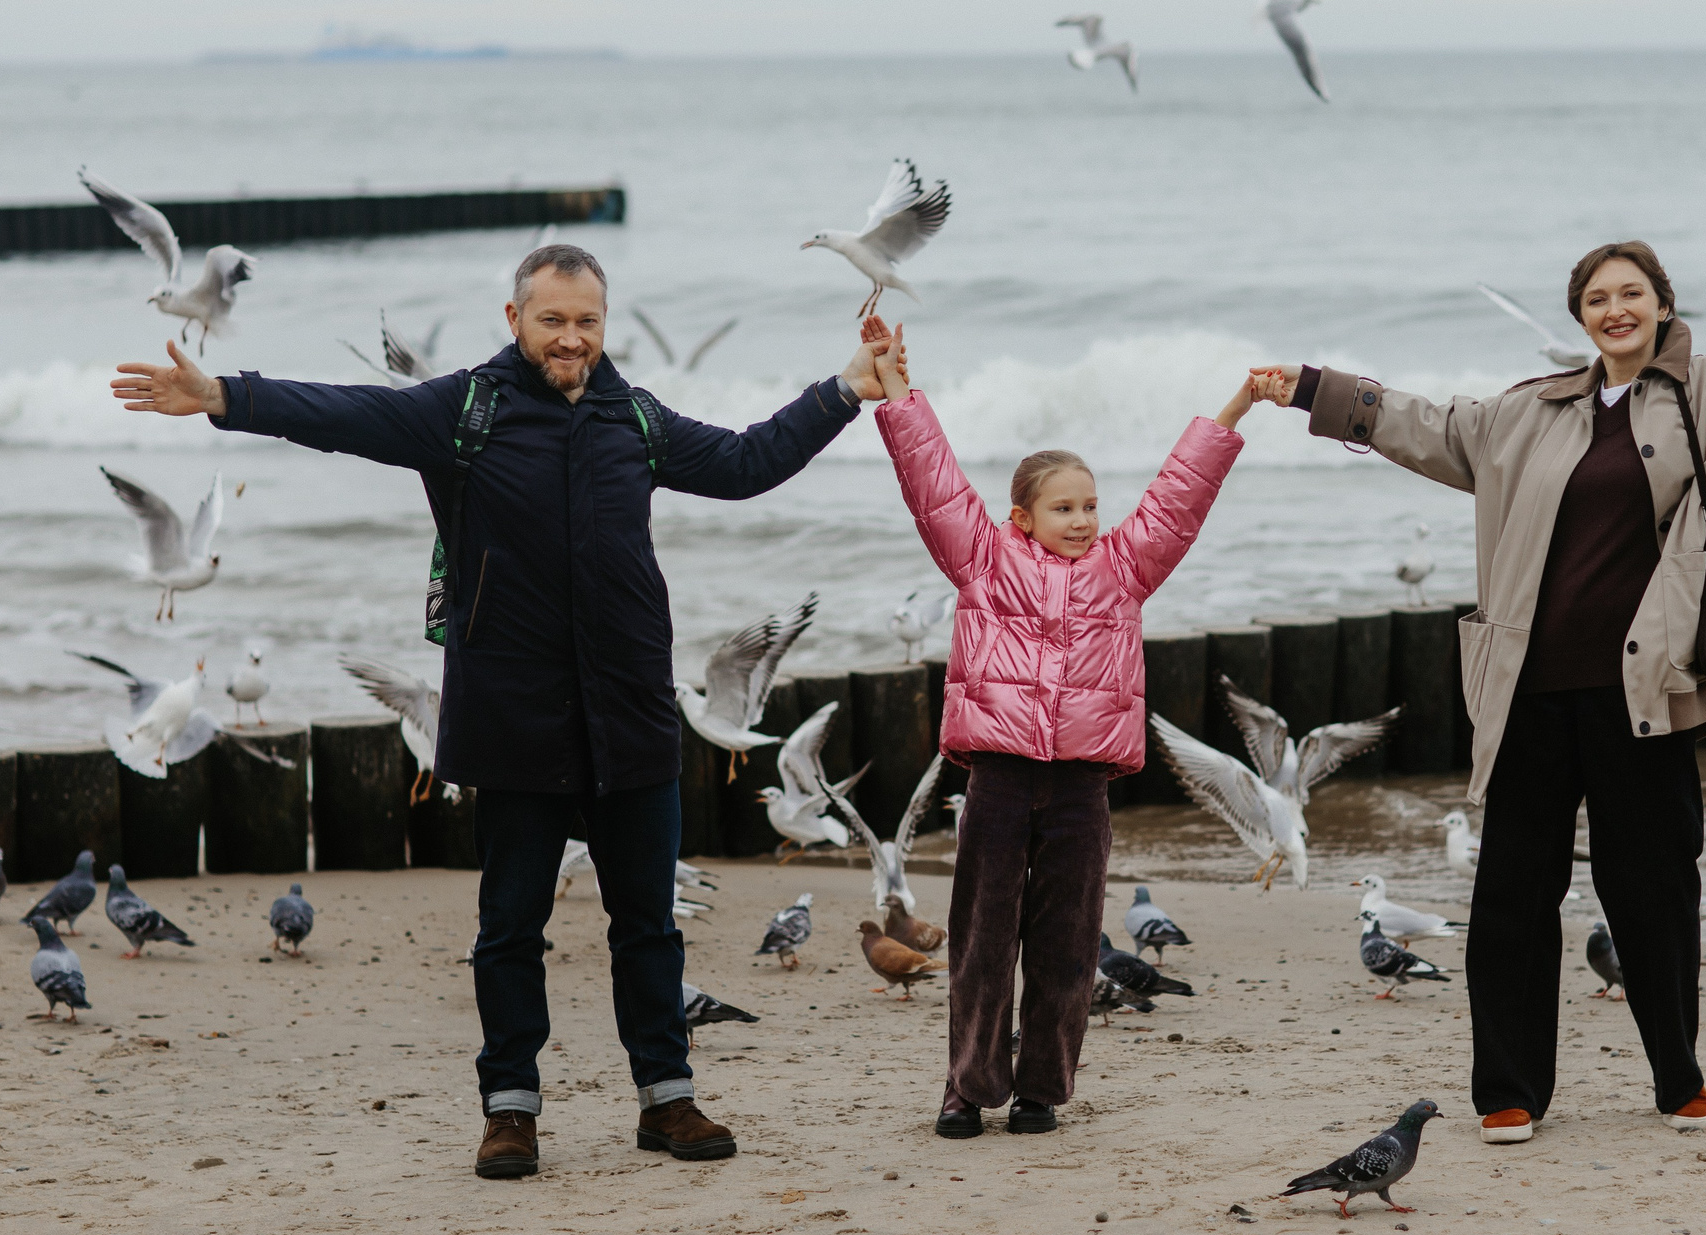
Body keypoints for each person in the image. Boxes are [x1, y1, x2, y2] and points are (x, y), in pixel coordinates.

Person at [111, 244, 897, 1177]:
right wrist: (227, 397)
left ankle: (667, 1098)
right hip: (513, 712)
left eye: (588, 321)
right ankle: (510, 1109)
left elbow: (741, 462)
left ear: (605, 326)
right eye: (554, 319)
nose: (572, 337)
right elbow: (348, 414)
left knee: (648, 922)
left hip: (630, 708)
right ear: (516, 319)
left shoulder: (633, 417)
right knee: (510, 927)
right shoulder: (467, 411)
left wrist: (845, 389)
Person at [1253, 241, 1706, 1144]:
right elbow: (1426, 425)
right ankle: (1509, 1090)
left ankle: (1679, 1078)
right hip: (1527, 693)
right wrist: (1314, 388)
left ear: (1664, 304)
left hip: (1647, 691)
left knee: (1655, 893)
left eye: (1632, 292)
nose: (1615, 308)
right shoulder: (1529, 411)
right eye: (1597, 297)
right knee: (1513, 896)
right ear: (1580, 315)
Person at [869, 324, 1275, 1136]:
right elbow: (932, 482)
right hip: (1000, 777)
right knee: (982, 943)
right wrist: (894, 389)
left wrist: (1240, 402)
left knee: (1065, 946)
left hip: (1082, 787)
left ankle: (1041, 1090)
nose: (1085, 519)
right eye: (1065, 507)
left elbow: (1181, 493)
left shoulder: (1124, 568)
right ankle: (967, 1086)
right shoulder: (982, 558)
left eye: (1092, 505)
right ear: (1022, 516)